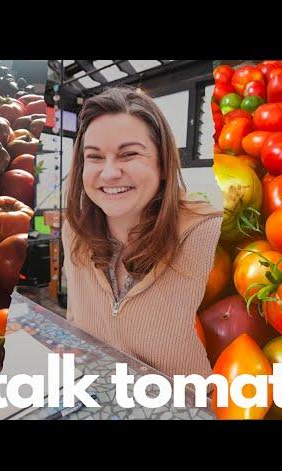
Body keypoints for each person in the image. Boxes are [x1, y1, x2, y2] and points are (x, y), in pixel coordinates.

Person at [61, 86, 222, 378]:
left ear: (162, 164)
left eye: (129, 154)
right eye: (94, 157)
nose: (109, 173)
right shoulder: (75, 231)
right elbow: (77, 326)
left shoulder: (210, 237)